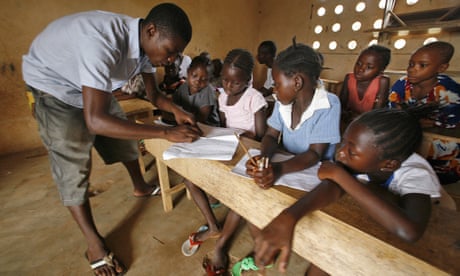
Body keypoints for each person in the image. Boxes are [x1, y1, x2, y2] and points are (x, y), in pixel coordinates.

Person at [22, 3, 202, 275]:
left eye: (176, 54)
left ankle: (139, 185)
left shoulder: (145, 47)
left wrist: (176, 111)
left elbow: (153, 97)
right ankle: (94, 243)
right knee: (72, 163)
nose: (171, 60)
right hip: (53, 86)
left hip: (89, 86)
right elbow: (95, 121)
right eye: (170, 51)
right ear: (151, 30)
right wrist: (165, 132)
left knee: (123, 136)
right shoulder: (102, 41)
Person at [251, 107, 455, 275]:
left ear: (388, 164)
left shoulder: (415, 173)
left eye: (351, 151)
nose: (340, 153)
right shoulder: (359, 157)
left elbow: (409, 231)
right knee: (321, 265)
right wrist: (289, 217)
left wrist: (340, 175)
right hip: (378, 215)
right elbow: (332, 186)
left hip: (433, 233)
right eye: (343, 142)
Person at [204, 41, 341, 276]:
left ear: (297, 82)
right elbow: (269, 135)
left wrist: (277, 169)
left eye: (277, 84)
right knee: (248, 195)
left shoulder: (328, 104)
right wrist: (263, 159)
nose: (274, 89)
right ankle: (265, 252)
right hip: (283, 166)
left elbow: (314, 154)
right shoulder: (283, 102)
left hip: (312, 174)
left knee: (295, 216)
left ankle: (269, 250)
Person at [182, 49, 267, 259]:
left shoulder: (253, 98)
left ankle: (222, 238)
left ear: (247, 80)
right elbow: (222, 126)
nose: (229, 86)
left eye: (235, 83)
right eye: (225, 80)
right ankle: (213, 225)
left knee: (239, 196)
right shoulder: (222, 97)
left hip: (248, 153)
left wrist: (242, 137)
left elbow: (262, 136)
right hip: (229, 148)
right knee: (189, 179)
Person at [388, 41, 460, 129]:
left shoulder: (451, 91)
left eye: (422, 65)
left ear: (442, 68)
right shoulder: (402, 83)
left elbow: (454, 124)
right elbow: (393, 113)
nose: (411, 70)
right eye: (411, 64)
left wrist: (432, 124)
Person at [339, 45, 391, 130]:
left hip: (369, 124)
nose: (361, 69)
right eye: (358, 63)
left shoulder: (382, 82)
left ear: (381, 71)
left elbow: (377, 112)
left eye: (369, 67)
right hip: (349, 120)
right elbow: (341, 105)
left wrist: (357, 118)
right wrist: (346, 114)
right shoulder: (349, 78)